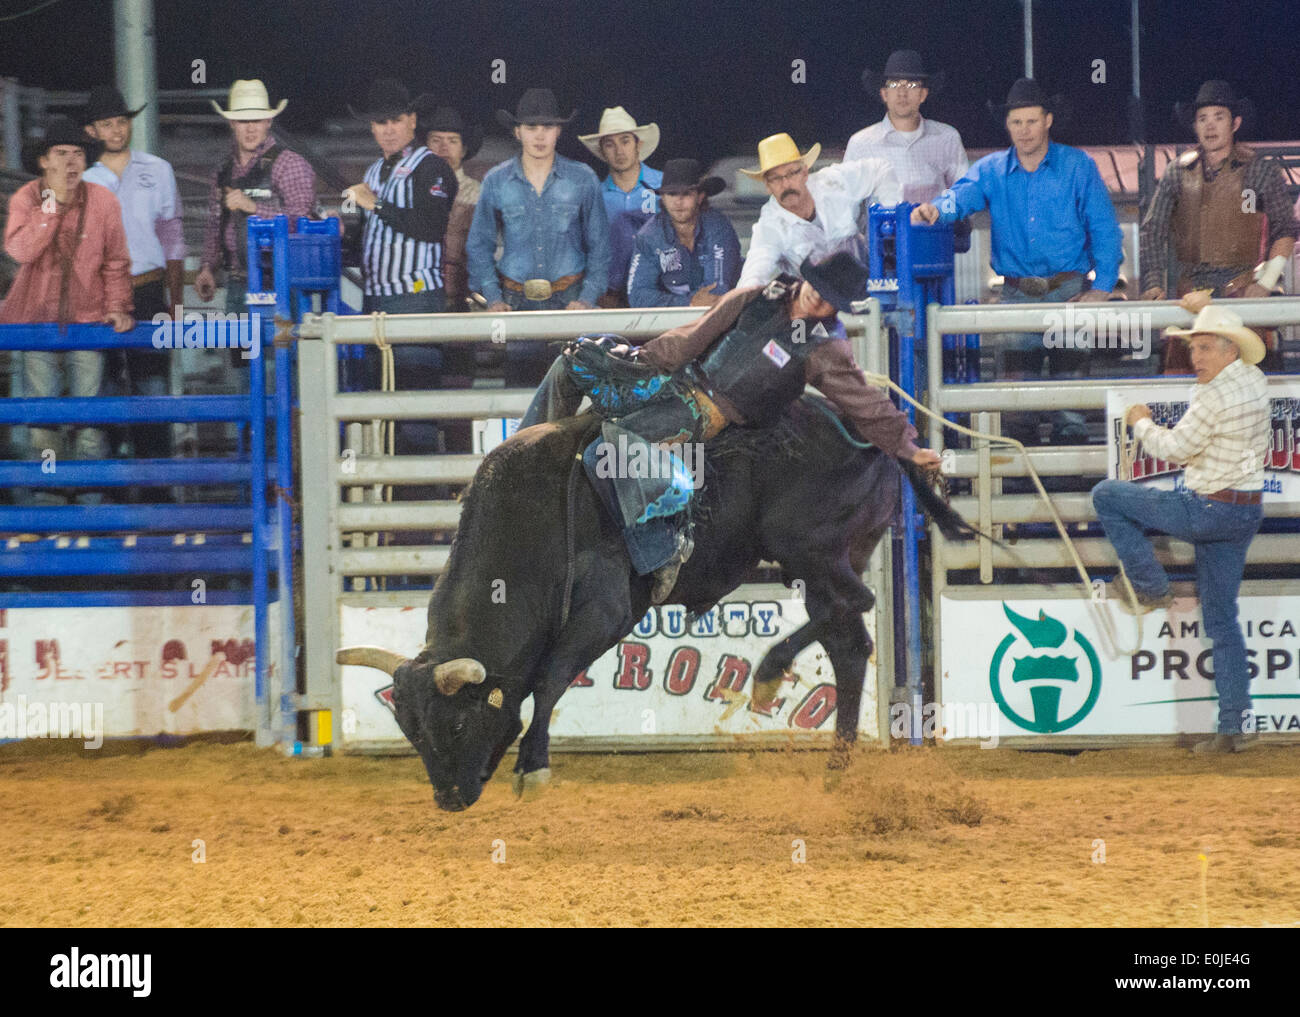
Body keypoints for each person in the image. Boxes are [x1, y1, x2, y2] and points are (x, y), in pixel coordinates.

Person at [520, 252, 942, 601]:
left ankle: (658, 552)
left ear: (836, 306)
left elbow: (864, 403)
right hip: (672, 381)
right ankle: (519, 460)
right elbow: (694, 336)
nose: (818, 299)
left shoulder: (823, 348)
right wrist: (636, 361)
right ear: (807, 279)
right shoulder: (755, 297)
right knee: (572, 364)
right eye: (818, 287)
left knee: (607, 451)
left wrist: (908, 447)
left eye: (829, 298)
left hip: (705, 412)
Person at [1091, 298, 1269, 754]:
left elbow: (1174, 449)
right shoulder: (1253, 380)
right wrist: (1208, 309)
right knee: (1222, 620)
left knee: (1107, 495)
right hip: (1243, 512)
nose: (1197, 358)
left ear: (1230, 352)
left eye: (1207, 348)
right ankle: (1235, 726)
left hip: (1207, 510)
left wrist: (1141, 422)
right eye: (1196, 348)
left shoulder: (1213, 395)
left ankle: (1150, 585)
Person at [912, 78, 1123, 443]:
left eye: (1031, 121)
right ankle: (1023, 483)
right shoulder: (991, 169)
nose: (1024, 131)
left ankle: (1066, 478)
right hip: (1016, 294)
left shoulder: (1078, 166)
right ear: (1007, 125)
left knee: (1070, 405)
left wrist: (1103, 286)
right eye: (1016, 122)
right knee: (1015, 405)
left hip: (1068, 290)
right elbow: (962, 196)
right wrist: (936, 210)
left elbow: (1104, 226)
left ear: (1048, 121)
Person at [2, 116, 132, 502]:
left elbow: (115, 261)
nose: (71, 162)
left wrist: (118, 306)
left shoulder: (103, 200)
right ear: (44, 161)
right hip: (35, 324)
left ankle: (91, 506)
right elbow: (20, 250)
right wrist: (52, 205)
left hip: (88, 321)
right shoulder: (26, 198)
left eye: (78, 153)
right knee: (42, 422)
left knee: (90, 419)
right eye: (61, 153)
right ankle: (50, 504)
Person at [1139, 81, 1297, 373]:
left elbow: (1285, 229)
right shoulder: (1178, 171)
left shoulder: (1259, 169)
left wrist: (1265, 283)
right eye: (1202, 119)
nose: (1210, 126)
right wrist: (1152, 282)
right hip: (1190, 293)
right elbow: (1153, 229)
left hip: (1242, 289)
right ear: (1194, 125)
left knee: (1245, 380)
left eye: (1218, 117)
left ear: (1235, 123)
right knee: (1181, 385)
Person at [467, 88, 609, 384]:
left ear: (559, 131)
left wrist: (586, 299)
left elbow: (600, 246)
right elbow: (479, 245)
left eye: (548, 127)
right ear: (518, 132)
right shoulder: (497, 180)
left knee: (574, 400)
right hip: (516, 302)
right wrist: (493, 298)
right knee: (523, 401)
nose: (540, 135)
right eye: (532, 127)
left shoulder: (583, 178)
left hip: (570, 302)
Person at [82, 85, 184, 475]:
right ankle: (111, 489)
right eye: (107, 124)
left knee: (152, 393)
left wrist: (175, 305)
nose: (116, 131)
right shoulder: (84, 177)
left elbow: (172, 238)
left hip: (148, 290)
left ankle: (155, 489)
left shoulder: (157, 169)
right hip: (98, 296)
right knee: (102, 393)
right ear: (92, 130)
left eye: (121, 122)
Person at [195, 80, 316, 314]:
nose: (250, 128)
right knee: (241, 350)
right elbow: (215, 225)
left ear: (268, 122)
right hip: (237, 281)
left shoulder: (289, 164)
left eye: (256, 120)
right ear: (232, 123)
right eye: (243, 121)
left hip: (280, 281)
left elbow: (304, 222)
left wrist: (253, 207)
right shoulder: (222, 171)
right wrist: (207, 267)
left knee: (275, 349)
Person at [736, 133, 900, 289]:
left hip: (873, 282)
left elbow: (881, 169)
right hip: (820, 306)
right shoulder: (769, 227)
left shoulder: (833, 183)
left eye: (792, 173)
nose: (786, 184)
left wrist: (886, 222)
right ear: (767, 185)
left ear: (805, 173)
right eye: (776, 178)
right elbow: (753, 276)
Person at [845, 49, 968, 204]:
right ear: (884, 94)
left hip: (935, 227)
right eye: (894, 84)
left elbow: (963, 195)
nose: (902, 93)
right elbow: (846, 203)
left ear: (923, 94)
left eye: (911, 85)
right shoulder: (861, 143)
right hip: (882, 227)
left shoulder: (947, 138)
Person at [627, 158, 741, 308]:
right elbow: (637, 295)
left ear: (700, 197)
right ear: (663, 198)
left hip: (725, 315)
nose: (678, 201)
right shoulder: (648, 236)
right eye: (671, 194)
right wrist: (689, 302)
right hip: (675, 319)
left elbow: (716, 291)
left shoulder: (718, 226)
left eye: (686, 194)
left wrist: (686, 304)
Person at [578, 106, 663, 306]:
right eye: (610, 144)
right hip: (610, 297)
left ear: (638, 144)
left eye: (625, 141)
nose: (619, 151)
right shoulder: (594, 199)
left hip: (660, 291)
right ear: (602, 151)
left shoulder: (665, 188)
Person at [413, 97, 483, 312]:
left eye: (452, 141)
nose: (444, 148)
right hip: (419, 293)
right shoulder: (410, 190)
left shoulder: (480, 193)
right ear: (425, 147)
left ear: (463, 150)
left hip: (465, 296)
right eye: (436, 140)